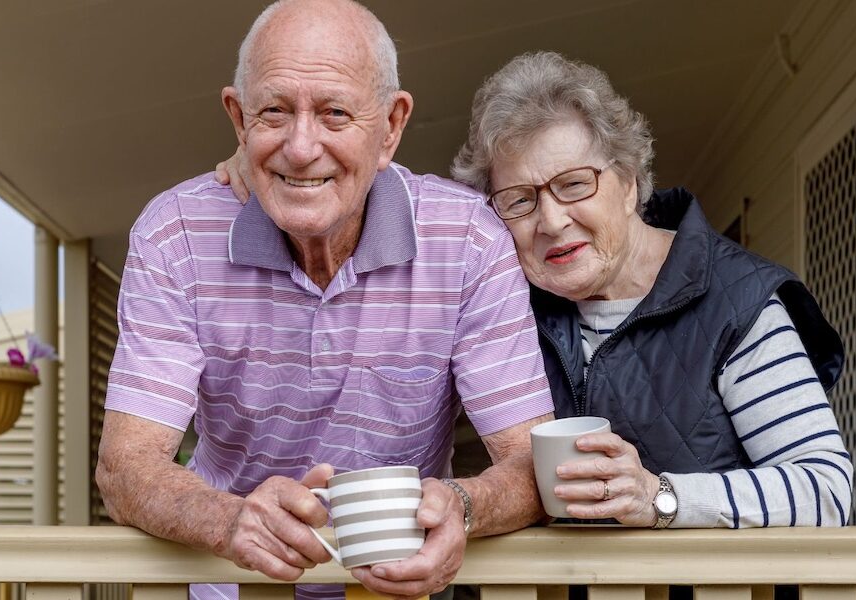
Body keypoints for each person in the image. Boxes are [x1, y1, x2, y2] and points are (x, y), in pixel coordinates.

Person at [95, 3, 555, 600]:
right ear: (239, 120)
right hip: (237, 587)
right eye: (274, 112)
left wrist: (465, 506)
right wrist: (229, 520)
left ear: (391, 127)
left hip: (393, 593)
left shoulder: (468, 240)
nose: (301, 147)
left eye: (335, 113)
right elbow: (124, 467)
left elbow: (529, 463)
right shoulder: (174, 235)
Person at [448, 51, 852, 529]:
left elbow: (825, 490)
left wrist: (663, 496)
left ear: (629, 184)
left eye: (575, 185)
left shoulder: (736, 300)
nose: (552, 221)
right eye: (520, 200)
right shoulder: (503, 307)